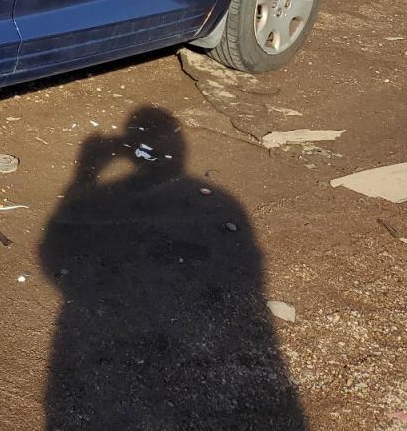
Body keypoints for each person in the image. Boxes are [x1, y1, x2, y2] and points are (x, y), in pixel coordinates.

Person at [40, 104, 306, 430]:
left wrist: (86, 173)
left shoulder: (112, 198)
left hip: (130, 345)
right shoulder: (220, 202)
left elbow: (55, 251)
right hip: (197, 348)